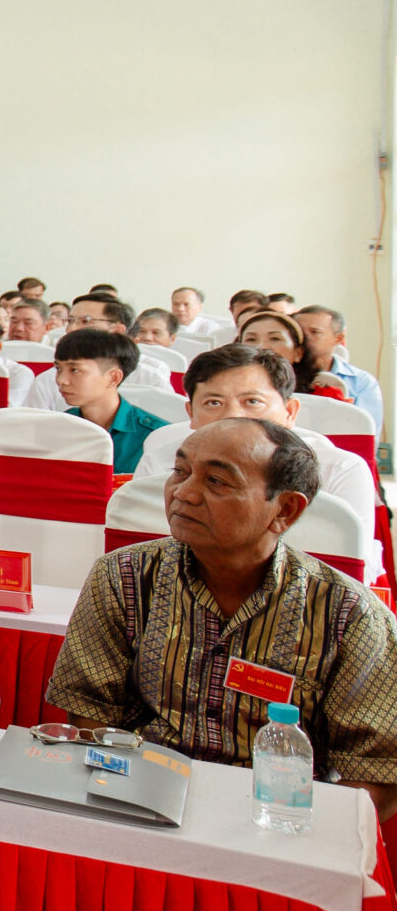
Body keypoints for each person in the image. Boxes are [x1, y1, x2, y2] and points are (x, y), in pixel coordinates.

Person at [45, 419, 397, 820]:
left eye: (216, 481)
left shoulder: (348, 614)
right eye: (180, 471)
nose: (184, 493)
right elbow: (89, 710)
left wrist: (289, 831)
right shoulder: (124, 576)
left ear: (285, 510)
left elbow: (377, 774)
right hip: (141, 799)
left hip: (277, 816)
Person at [169, 345, 381, 521]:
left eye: (253, 401)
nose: (232, 416)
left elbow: (347, 558)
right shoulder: (162, 462)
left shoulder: (338, 470)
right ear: (191, 414)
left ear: (290, 412)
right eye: (213, 403)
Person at [52, 327, 161, 475]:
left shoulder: (154, 437)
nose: (61, 380)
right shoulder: (57, 427)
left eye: (74, 370)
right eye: (58, 368)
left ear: (113, 378)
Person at [296, 305, 383, 430]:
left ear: (338, 338)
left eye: (315, 332)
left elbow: (366, 432)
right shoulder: (281, 375)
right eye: (299, 332)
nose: (304, 338)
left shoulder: (361, 382)